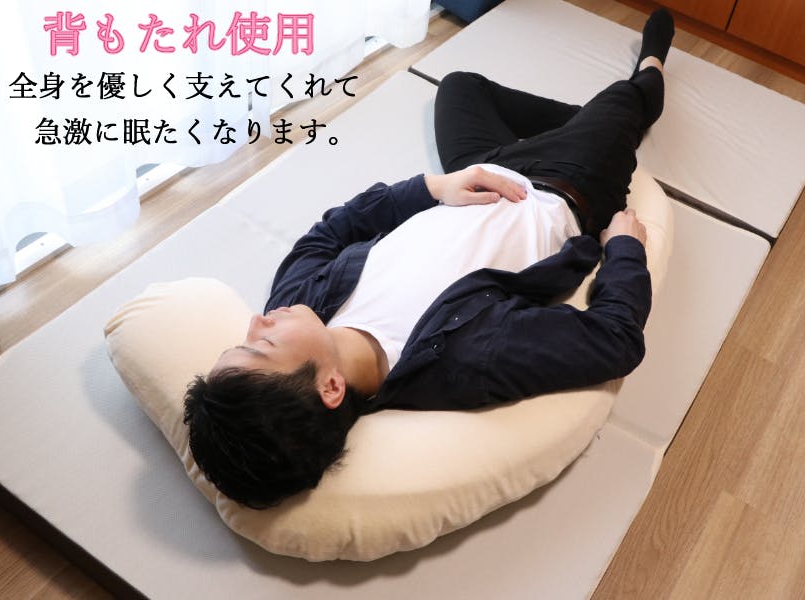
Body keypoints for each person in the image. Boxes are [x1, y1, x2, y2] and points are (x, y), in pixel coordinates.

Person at [184, 9, 675, 509]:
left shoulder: (298, 303)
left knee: (461, 86)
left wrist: (433, 188)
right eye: (262, 345)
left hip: (476, 173)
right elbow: (614, 341)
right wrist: (624, 248)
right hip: (567, 183)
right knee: (627, 99)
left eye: (241, 341)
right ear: (330, 387)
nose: (258, 321)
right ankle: (642, 81)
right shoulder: (463, 361)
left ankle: (592, 124)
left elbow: (331, 231)